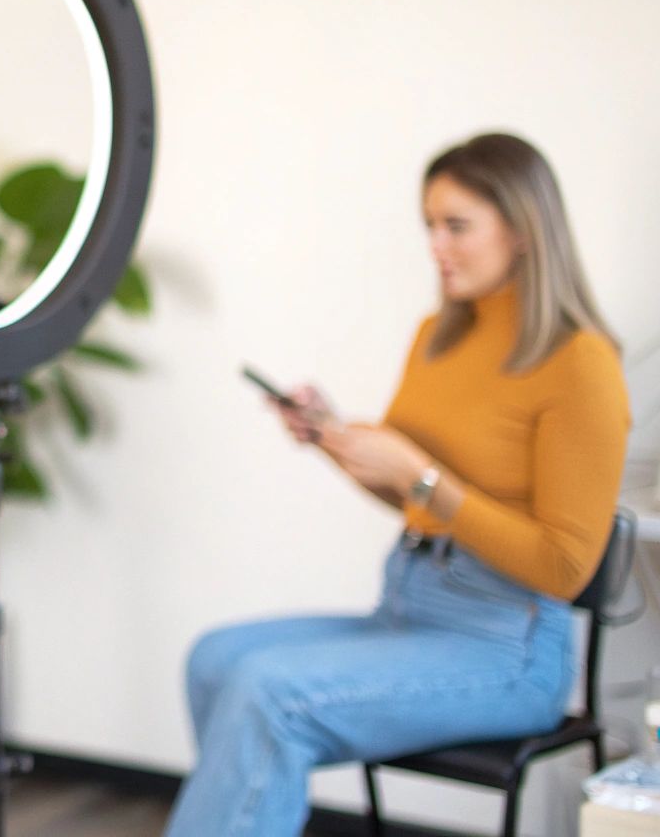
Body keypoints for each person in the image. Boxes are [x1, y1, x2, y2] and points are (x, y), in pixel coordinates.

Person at [164, 133, 629, 836]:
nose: (436, 246)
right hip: (410, 607)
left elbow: (566, 568)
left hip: (507, 647)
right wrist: (333, 439)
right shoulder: (437, 337)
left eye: (456, 226)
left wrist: (425, 479)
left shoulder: (580, 363)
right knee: (215, 660)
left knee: (269, 693)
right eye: (429, 226)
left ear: (525, 230)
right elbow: (411, 488)